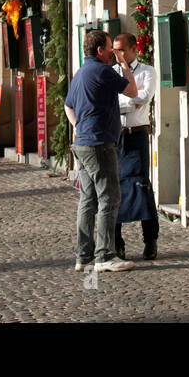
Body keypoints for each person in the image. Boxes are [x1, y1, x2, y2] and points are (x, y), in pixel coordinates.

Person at [64, 28, 139, 273]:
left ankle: (83, 255)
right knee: (109, 197)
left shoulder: (81, 73)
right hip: (99, 144)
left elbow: (68, 106)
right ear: (100, 51)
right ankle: (105, 255)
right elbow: (132, 91)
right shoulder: (102, 71)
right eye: (109, 47)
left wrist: (79, 126)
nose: (112, 51)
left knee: (88, 199)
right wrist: (123, 63)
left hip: (82, 142)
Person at [112, 32, 159, 261]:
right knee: (114, 189)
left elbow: (144, 97)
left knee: (141, 185)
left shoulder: (147, 71)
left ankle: (150, 239)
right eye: (115, 50)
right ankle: (116, 244)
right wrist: (130, 101)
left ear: (133, 49)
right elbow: (113, 102)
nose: (118, 54)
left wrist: (128, 101)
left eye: (121, 49)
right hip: (116, 137)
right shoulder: (111, 73)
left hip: (137, 135)